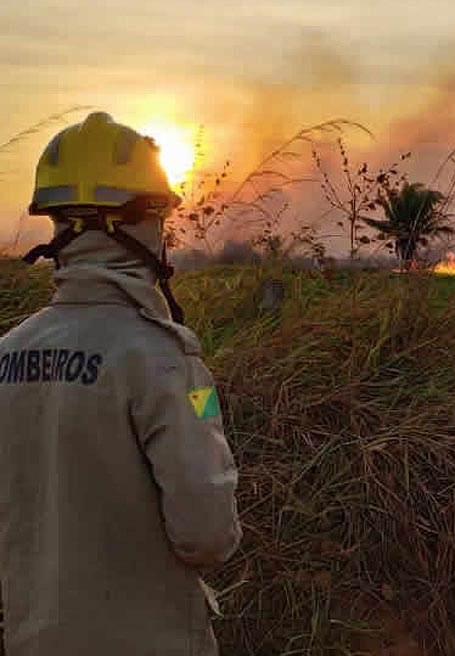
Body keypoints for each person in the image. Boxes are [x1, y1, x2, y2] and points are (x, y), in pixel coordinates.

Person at [0, 112, 241, 655]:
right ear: (139, 224)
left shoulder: (7, 354)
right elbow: (208, 535)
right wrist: (202, 401)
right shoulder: (167, 360)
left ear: (57, 226)